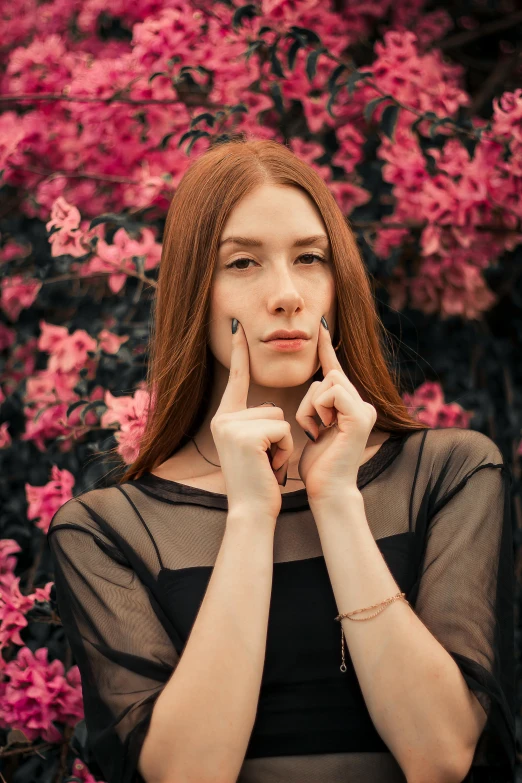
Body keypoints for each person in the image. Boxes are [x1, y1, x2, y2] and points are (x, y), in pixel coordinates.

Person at [46, 137, 515, 783]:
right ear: (193, 289)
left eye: (310, 258)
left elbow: (440, 753)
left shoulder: (450, 474)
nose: (288, 293)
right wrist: (248, 514)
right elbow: (187, 773)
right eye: (243, 263)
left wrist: (336, 498)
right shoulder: (108, 530)